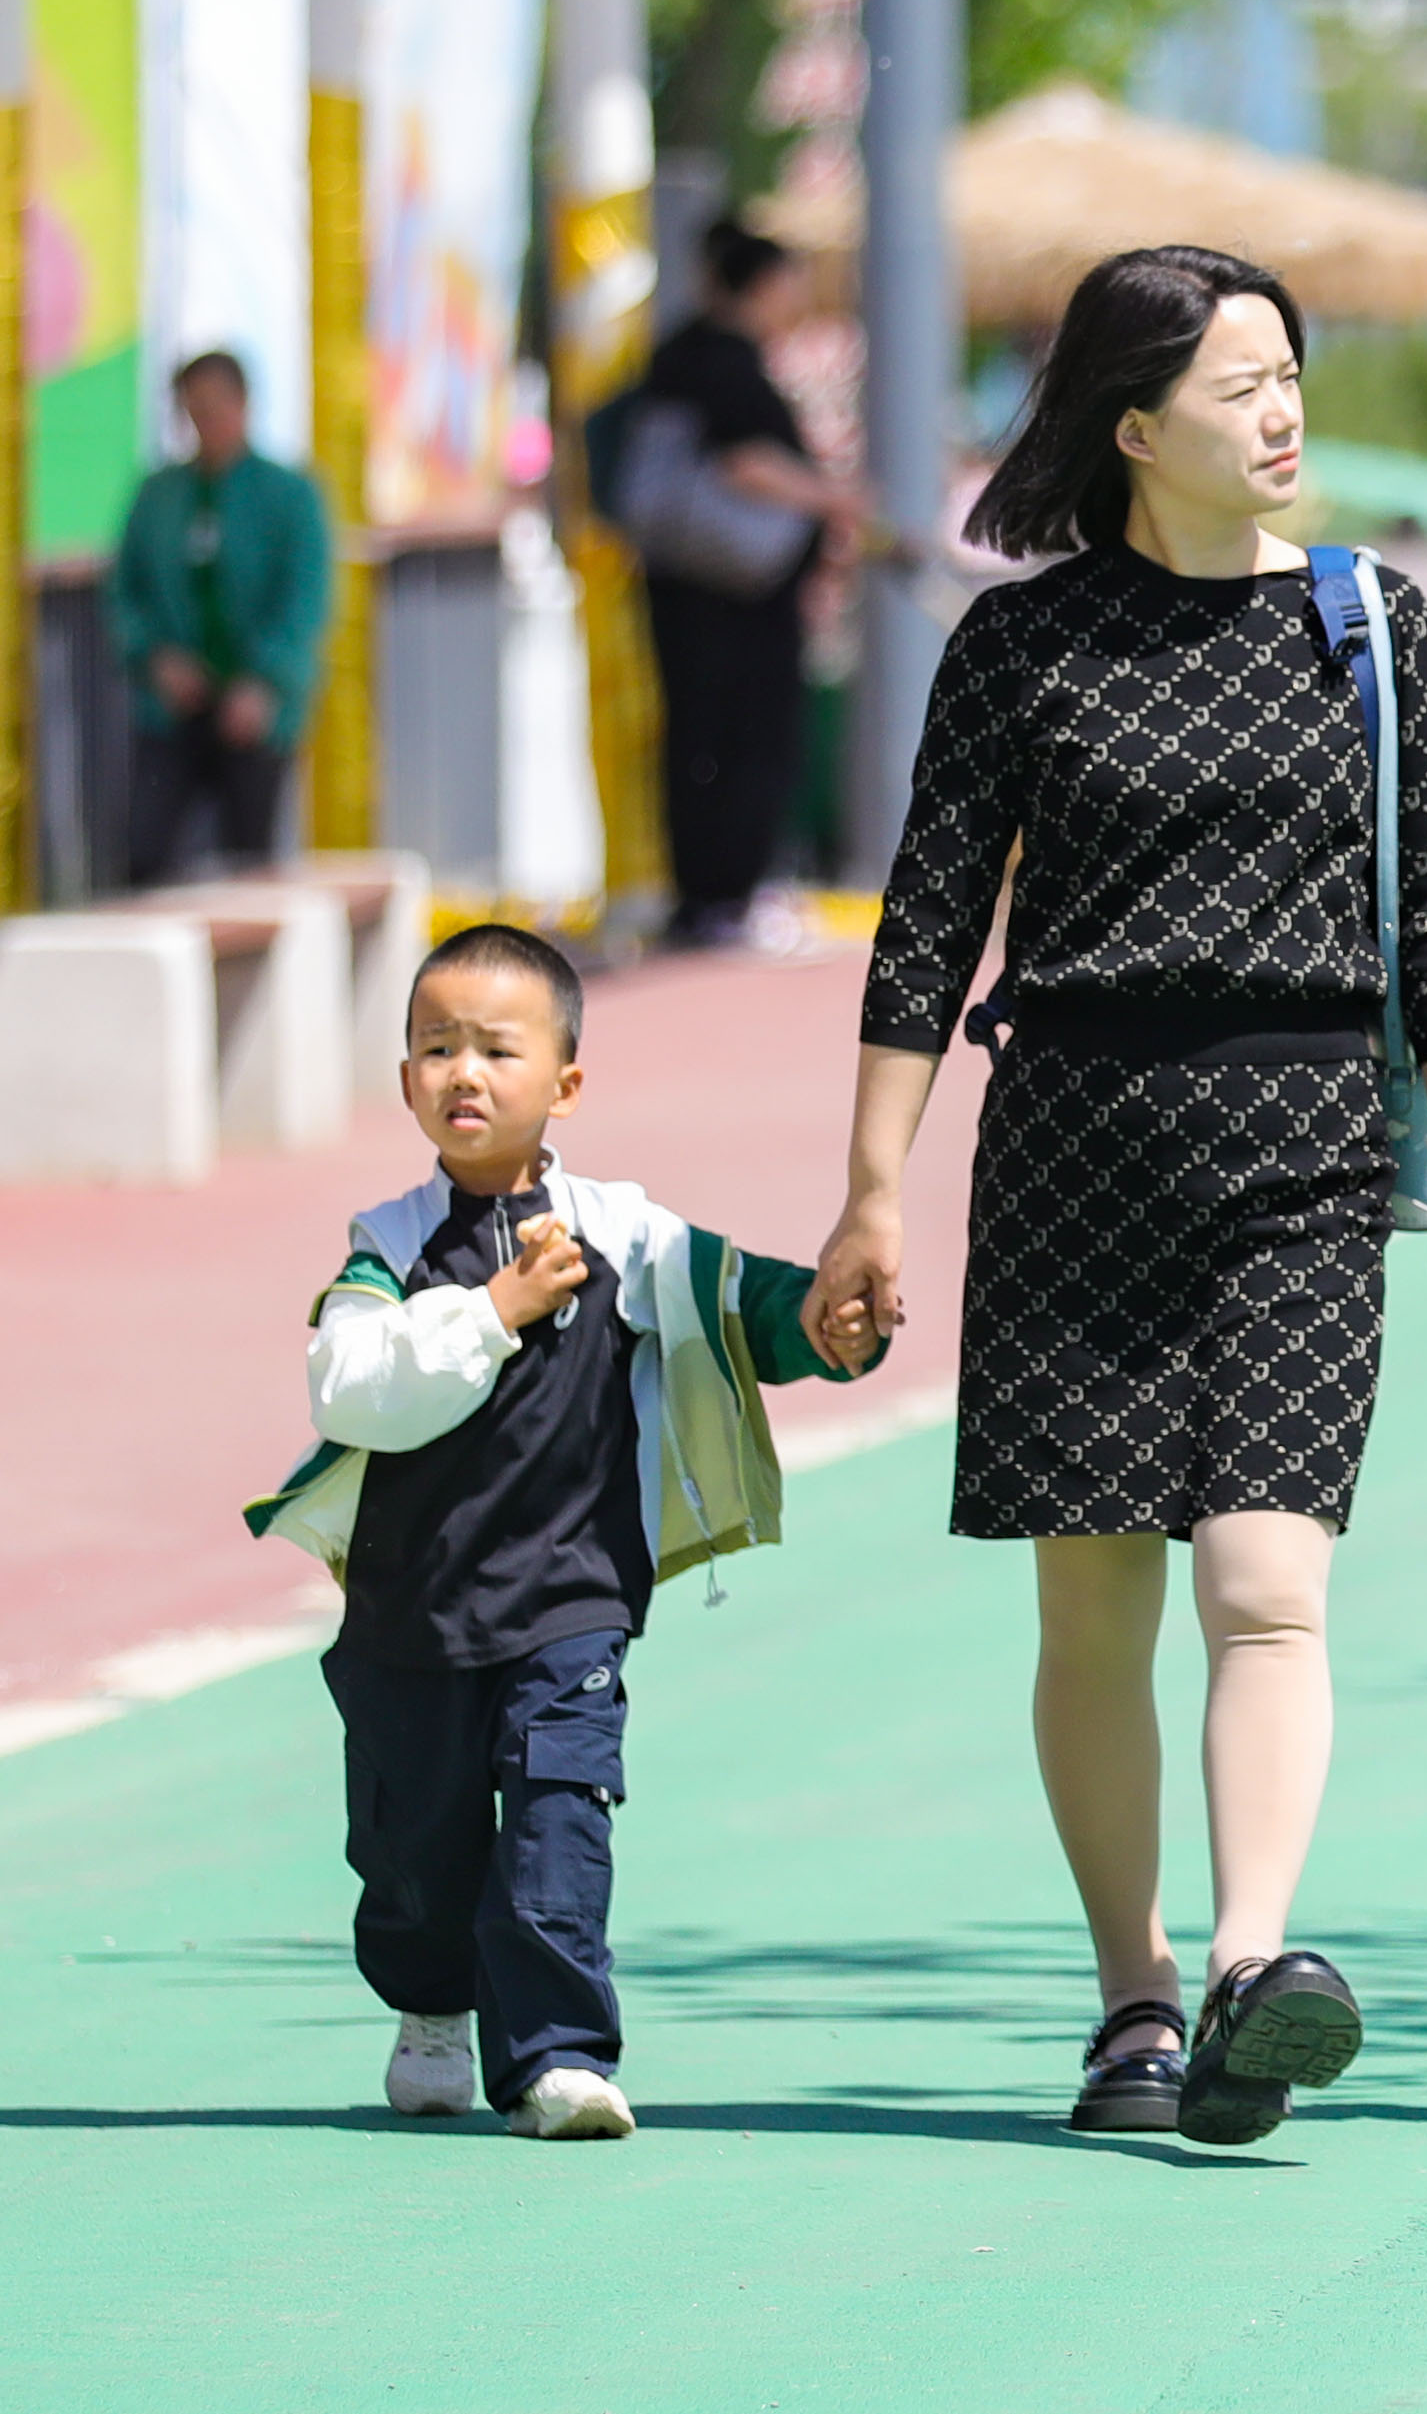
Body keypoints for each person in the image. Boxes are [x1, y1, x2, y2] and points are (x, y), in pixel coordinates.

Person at [811, 246, 1427, 2146]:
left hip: (1303, 1153)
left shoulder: (1370, 625)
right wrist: (871, 1194)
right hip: (1071, 1157)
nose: (1281, 412)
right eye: (1238, 385)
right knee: (1096, 1608)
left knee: (1267, 1582)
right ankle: (1128, 1993)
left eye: (1291, 375)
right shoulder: (1019, 650)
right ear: (1135, 427)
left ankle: (1246, 1972)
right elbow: (924, 936)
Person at [248, 926, 870, 2138]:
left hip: (571, 1600)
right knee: (413, 1853)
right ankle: (431, 2008)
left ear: (566, 1083)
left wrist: (836, 1320)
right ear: (405, 1080)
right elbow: (354, 1387)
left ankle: (557, 2057)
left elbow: (744, 1303)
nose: (463, 1073)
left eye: (495, 1048)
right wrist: (496, 1306)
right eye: (435, 1047)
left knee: (558, 1817)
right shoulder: (386, 1243)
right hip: (409, 1613)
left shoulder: (624, 1229)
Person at [639, 223, 864, 946]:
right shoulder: (724, 362)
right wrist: (836, 498)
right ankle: (727, 895)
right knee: (744, 743)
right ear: (761, 285)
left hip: (688, 589)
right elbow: (747, 464)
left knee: (698, 741)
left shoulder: (678, 355)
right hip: (735, 597)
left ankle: (706, 896)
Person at [112, 349, 331, 886]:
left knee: (249, 863)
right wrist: (154, 658)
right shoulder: (160, 495)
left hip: (253, 710)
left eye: (215, 409)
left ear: (243, 406)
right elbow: (125, 589)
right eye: (194, 412)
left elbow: (305, 599)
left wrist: (265, 681)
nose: (205, 424)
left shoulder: (288, 495)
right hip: (174, 706)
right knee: (147, 853)